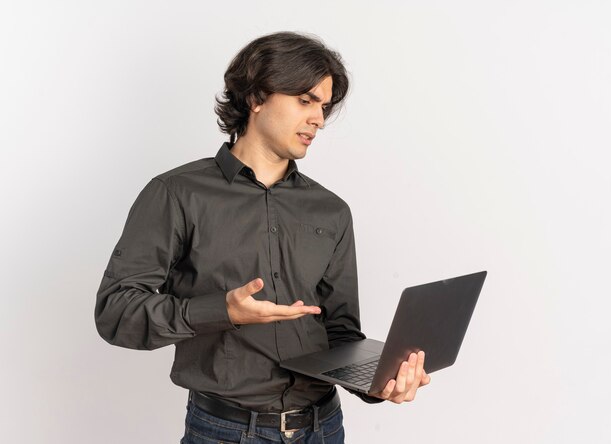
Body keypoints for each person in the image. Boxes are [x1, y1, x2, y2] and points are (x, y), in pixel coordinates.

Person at [95, 31, 430, 444]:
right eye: (305, 101)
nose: (319, 119)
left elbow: (340, 332)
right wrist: (222, 311)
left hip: (323, 429)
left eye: (323, 107)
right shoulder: (176, 194)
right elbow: (115, 312)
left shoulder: (332, 211)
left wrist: (377, 383)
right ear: (256, 98)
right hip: (225, 432)